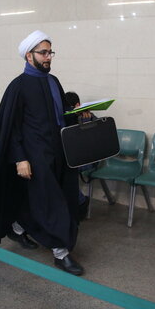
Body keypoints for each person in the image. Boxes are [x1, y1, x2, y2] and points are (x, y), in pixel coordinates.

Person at [0, 30, 84, 276]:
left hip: (59, 153)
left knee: (47, 198)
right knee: (50, 202)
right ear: (28, 55)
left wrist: (79, 112)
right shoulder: (18, 86)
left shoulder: (53, 81)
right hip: (34, 156)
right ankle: (61, 253)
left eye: (50, 52)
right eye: (43, 53)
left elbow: (61, 113)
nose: (48, 57)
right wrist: (20, 158)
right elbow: (10, 128)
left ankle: (17, 225)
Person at [64, 91, 97, 221]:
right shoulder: (65, 118)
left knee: (65, 172)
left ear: (77, 105)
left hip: (87, 158)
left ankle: (80, 202)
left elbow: (96, 143)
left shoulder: (90, 117)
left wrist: (87, 125)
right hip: (70, 157)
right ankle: (77, 202)